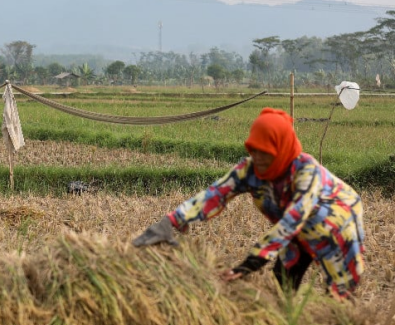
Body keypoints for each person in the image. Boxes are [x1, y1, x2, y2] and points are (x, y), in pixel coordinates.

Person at [132, 108, 365, 301]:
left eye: (266, 152)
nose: (259, 157)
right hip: (298, 228)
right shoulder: (249, 170)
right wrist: (171, 221)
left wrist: (251, 262)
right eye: (254, 150)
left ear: (281, 147)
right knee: (283, 276)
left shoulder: (305, 171)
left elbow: (293, 219)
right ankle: (289, 324)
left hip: (335, 226)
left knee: (339, 294)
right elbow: (213, 195)